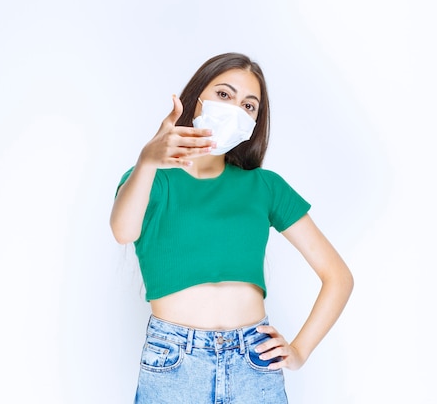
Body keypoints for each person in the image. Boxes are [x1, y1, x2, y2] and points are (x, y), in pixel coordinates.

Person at [110, 52, 353, 403]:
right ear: (196, 100)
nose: (236, 109)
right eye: (224, 95)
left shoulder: (265, 187)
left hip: (254, 365)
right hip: (174, 364)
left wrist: (299, 351)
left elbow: (338, 276)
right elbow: (123, 231)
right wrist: (148, 159)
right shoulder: (151, 180)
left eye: (249, 106)